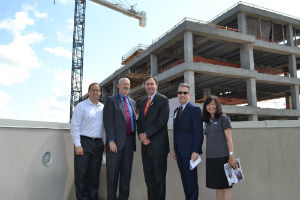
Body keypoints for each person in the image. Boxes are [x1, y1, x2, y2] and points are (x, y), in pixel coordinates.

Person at [70, 82, 105, 200]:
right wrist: (77, 145)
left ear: (100, 93)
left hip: (98, 144)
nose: (96, 92)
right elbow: (75, 126)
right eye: (93, 90)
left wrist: (104, 142)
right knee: (82, 175)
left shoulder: (102, 108)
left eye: (98, 90)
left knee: (94, 176)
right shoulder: (81, 106)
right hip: (84, 143)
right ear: (89, 92)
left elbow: (104, 128)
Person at [103, 78, 136, 200]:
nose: (126, 86)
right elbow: (108, 121)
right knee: (112, 176)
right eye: (124, 84)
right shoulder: (111, 100)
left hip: (129, 143)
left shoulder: (133, 102)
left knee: (126, 176)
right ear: (118, 86)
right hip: (115, 143)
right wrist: (110, 140)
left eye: (128, 84)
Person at [137, 76, 170, 200]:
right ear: (145, 86)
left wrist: (147, 134)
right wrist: (142, 136)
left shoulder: (163, 100)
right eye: (147, 84)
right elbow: (139, 121)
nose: (150, 86)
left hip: (158, 147)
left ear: (156, 85)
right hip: (145, 146)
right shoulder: (143, 101)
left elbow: (162, 122)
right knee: (149, 180)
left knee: (159, 180)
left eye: (152, 84)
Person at [173, 83, 203, 200]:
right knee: (185, 183)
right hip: (179, 154)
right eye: (180, 93)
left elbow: (198, 133)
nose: (182, 95)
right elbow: (176, 132)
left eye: (185, 93)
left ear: (189, 95)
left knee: (191, 184)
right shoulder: (176, 111)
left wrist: (196, 151)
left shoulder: (194, 110)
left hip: (190, 154)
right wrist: (175, 149)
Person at [203, 95, 236, 200]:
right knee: (217, 187)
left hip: (224, 158)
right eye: (208, 105)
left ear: (217, 106)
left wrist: (231, 156)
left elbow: (229, 139)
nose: (210, 107)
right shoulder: (207, 121)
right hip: (211, 159)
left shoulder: (224, 118)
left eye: (213, 104)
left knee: (226, 187)